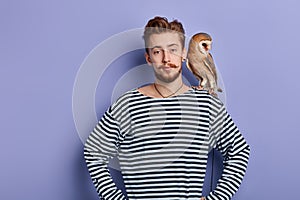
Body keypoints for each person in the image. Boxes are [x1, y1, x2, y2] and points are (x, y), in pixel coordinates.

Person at [84, 16, 250, 200]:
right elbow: (93, 152)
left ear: (184, 54)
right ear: (149, 58)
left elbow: (239, 151)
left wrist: (217, 198)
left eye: (172, 49)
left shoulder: (206, 105)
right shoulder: (127, 104)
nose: (166, 58)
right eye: (157, 52)